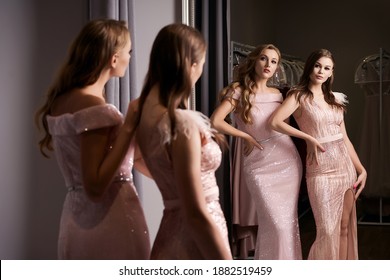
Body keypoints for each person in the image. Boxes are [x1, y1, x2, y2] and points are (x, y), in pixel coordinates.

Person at [35, 19, 150, 259]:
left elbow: (127, 158)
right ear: (113, 59)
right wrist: (129, 125)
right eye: (128, 51)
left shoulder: (62, 101)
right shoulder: (95, 107)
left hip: (75, 218)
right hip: (110, 218)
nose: (130, 57)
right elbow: (95, 186)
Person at [134, 23, 232, 260]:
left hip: (169, 231)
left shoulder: (142, 112)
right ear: (191, 65)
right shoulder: (181, 123)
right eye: (201, 63)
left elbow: (137, 159)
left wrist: (173, 180)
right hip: (198, 237)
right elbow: (195, 214)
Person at [269, 49, 367, 259]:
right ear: (310, 67)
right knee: (326, 231)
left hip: (345, 168)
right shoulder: (298, 95)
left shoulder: (335, 99)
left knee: (343, 228)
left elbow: (345, 139)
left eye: (327, 68)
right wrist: (308, 138)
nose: (321, 71)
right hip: (320, 170)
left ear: (332, 73)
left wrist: (361, 169)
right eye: (317, 65)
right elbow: (275, 122)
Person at [210, 44, 303, 260]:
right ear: (254, 61)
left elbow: (282, 127)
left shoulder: (279, 94)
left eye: (273, 61)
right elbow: (215, 121)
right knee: (274, 223)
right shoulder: (238, 90)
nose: (268, 64)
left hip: (287, 161)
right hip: (258, 164)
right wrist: (245, 136)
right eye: (264, 59)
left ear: (277, 67)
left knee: (286, 225)